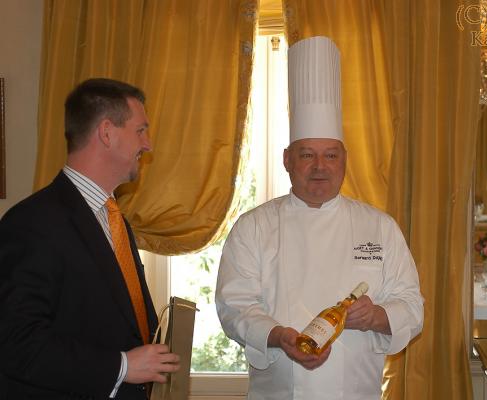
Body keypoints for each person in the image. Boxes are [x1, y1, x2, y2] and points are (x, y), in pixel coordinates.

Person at [215, 36, 423, 400]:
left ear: (344, 160)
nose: (319, 167)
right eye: (307, 155)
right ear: (287, 160)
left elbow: (412, 306)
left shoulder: (380, 226)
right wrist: (279, 336)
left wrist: (376, 316)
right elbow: (235, 306)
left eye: (330, 155)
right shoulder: (254, 226)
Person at [0, 78, 179, 399]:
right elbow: (16, 342)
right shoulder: (31, 222)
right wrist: (121, 366)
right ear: (107, 132)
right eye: (140, 130)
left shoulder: (116, 220)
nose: (148, 144)